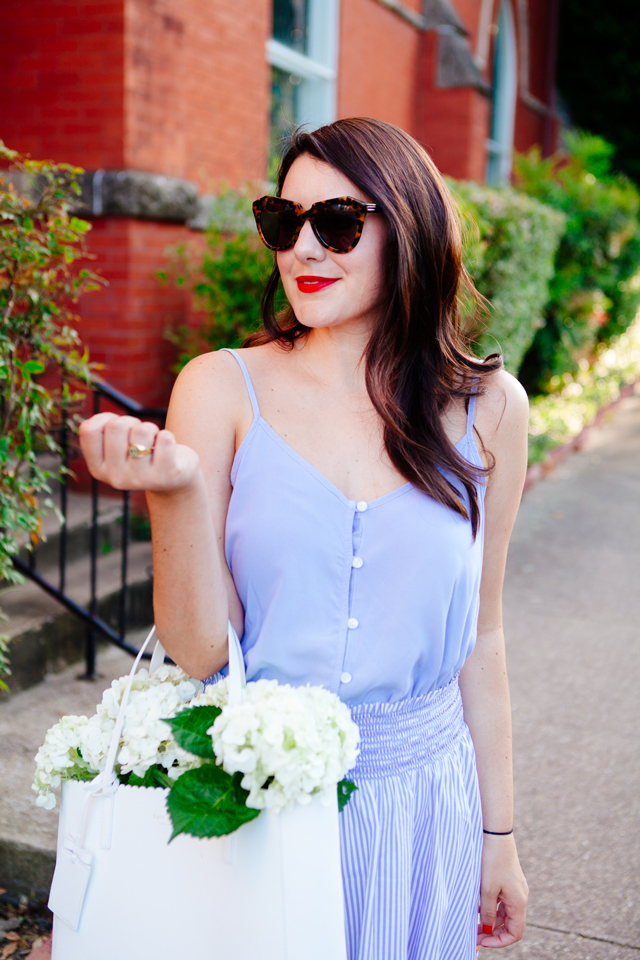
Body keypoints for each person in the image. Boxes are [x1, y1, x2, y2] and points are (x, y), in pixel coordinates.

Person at [78, 117, 529, 960]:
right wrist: (174, 495)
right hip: (262, 805)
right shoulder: (219, 387)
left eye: (339, 223)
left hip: (425, 807)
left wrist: (499, 835)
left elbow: (485, 634)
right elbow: (201, 648)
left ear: (411, 226)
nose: (303, 252)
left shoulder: (493, 407)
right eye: (284, 223)